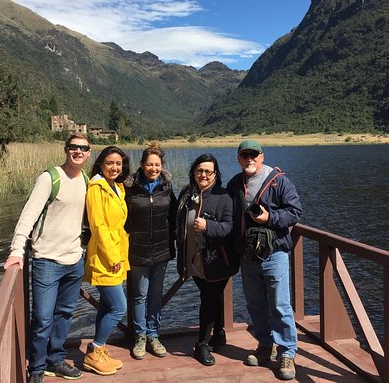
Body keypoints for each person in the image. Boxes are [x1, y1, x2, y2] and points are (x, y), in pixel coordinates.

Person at [4, 134, 92, 383]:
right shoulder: (49, 178)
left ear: (88, 153)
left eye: (83, 148)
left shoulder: (85, 181)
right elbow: (28, 216)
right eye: (74, 147)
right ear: (66, 150)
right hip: (46, 261)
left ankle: (56, 359)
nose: (78, 151)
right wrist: (16, 250)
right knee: (42, 318)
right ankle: (37, 368)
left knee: (64, 314)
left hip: (74, 260)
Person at [226, 140, 303, 381]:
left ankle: (287, 352)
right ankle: (264, 346)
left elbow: (295, 212)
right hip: (248, 255)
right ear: (238, 158)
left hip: (275, 254)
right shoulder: (234, 183)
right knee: (255, 304)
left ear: (262, 156)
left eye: (254, 155)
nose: (250, 159)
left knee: (280, 304)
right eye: (245, 155)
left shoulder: (279, 181)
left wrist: (270, 218)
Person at [176, 153, 239, 366]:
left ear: (215, 174)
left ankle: (202, 344)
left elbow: (230, 228)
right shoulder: (187, 194)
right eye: (199, 171)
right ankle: (219, 333)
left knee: (209, 299)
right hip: (193, 260)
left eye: (208, 171)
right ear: (194, 172)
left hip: (216, 261)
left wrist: (208, 226)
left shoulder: (224, 196)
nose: (203, 175)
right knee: (210, 296)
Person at [123, 142, 177, 360]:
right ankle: (140, 336)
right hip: (137, 251)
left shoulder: (167, 187)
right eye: (149, 164)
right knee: (139, 296)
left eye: (157, 165)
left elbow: (173, 217)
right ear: (142, 165)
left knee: (155, 295)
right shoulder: (129, 187)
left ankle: (154, 335)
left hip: (162, 250)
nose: (153, 169)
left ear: (162, 166)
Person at [82, 145, 131, 376]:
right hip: (104, 255)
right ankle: (95, 350)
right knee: (119, 307)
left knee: (106, 305)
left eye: (118, 164)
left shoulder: (117, 187)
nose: (114, 167)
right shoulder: (96, 188)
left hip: (117, 251)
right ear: (101, 164)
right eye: (110, 163)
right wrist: (112, 257)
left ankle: (97, 350)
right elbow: (98, 226)